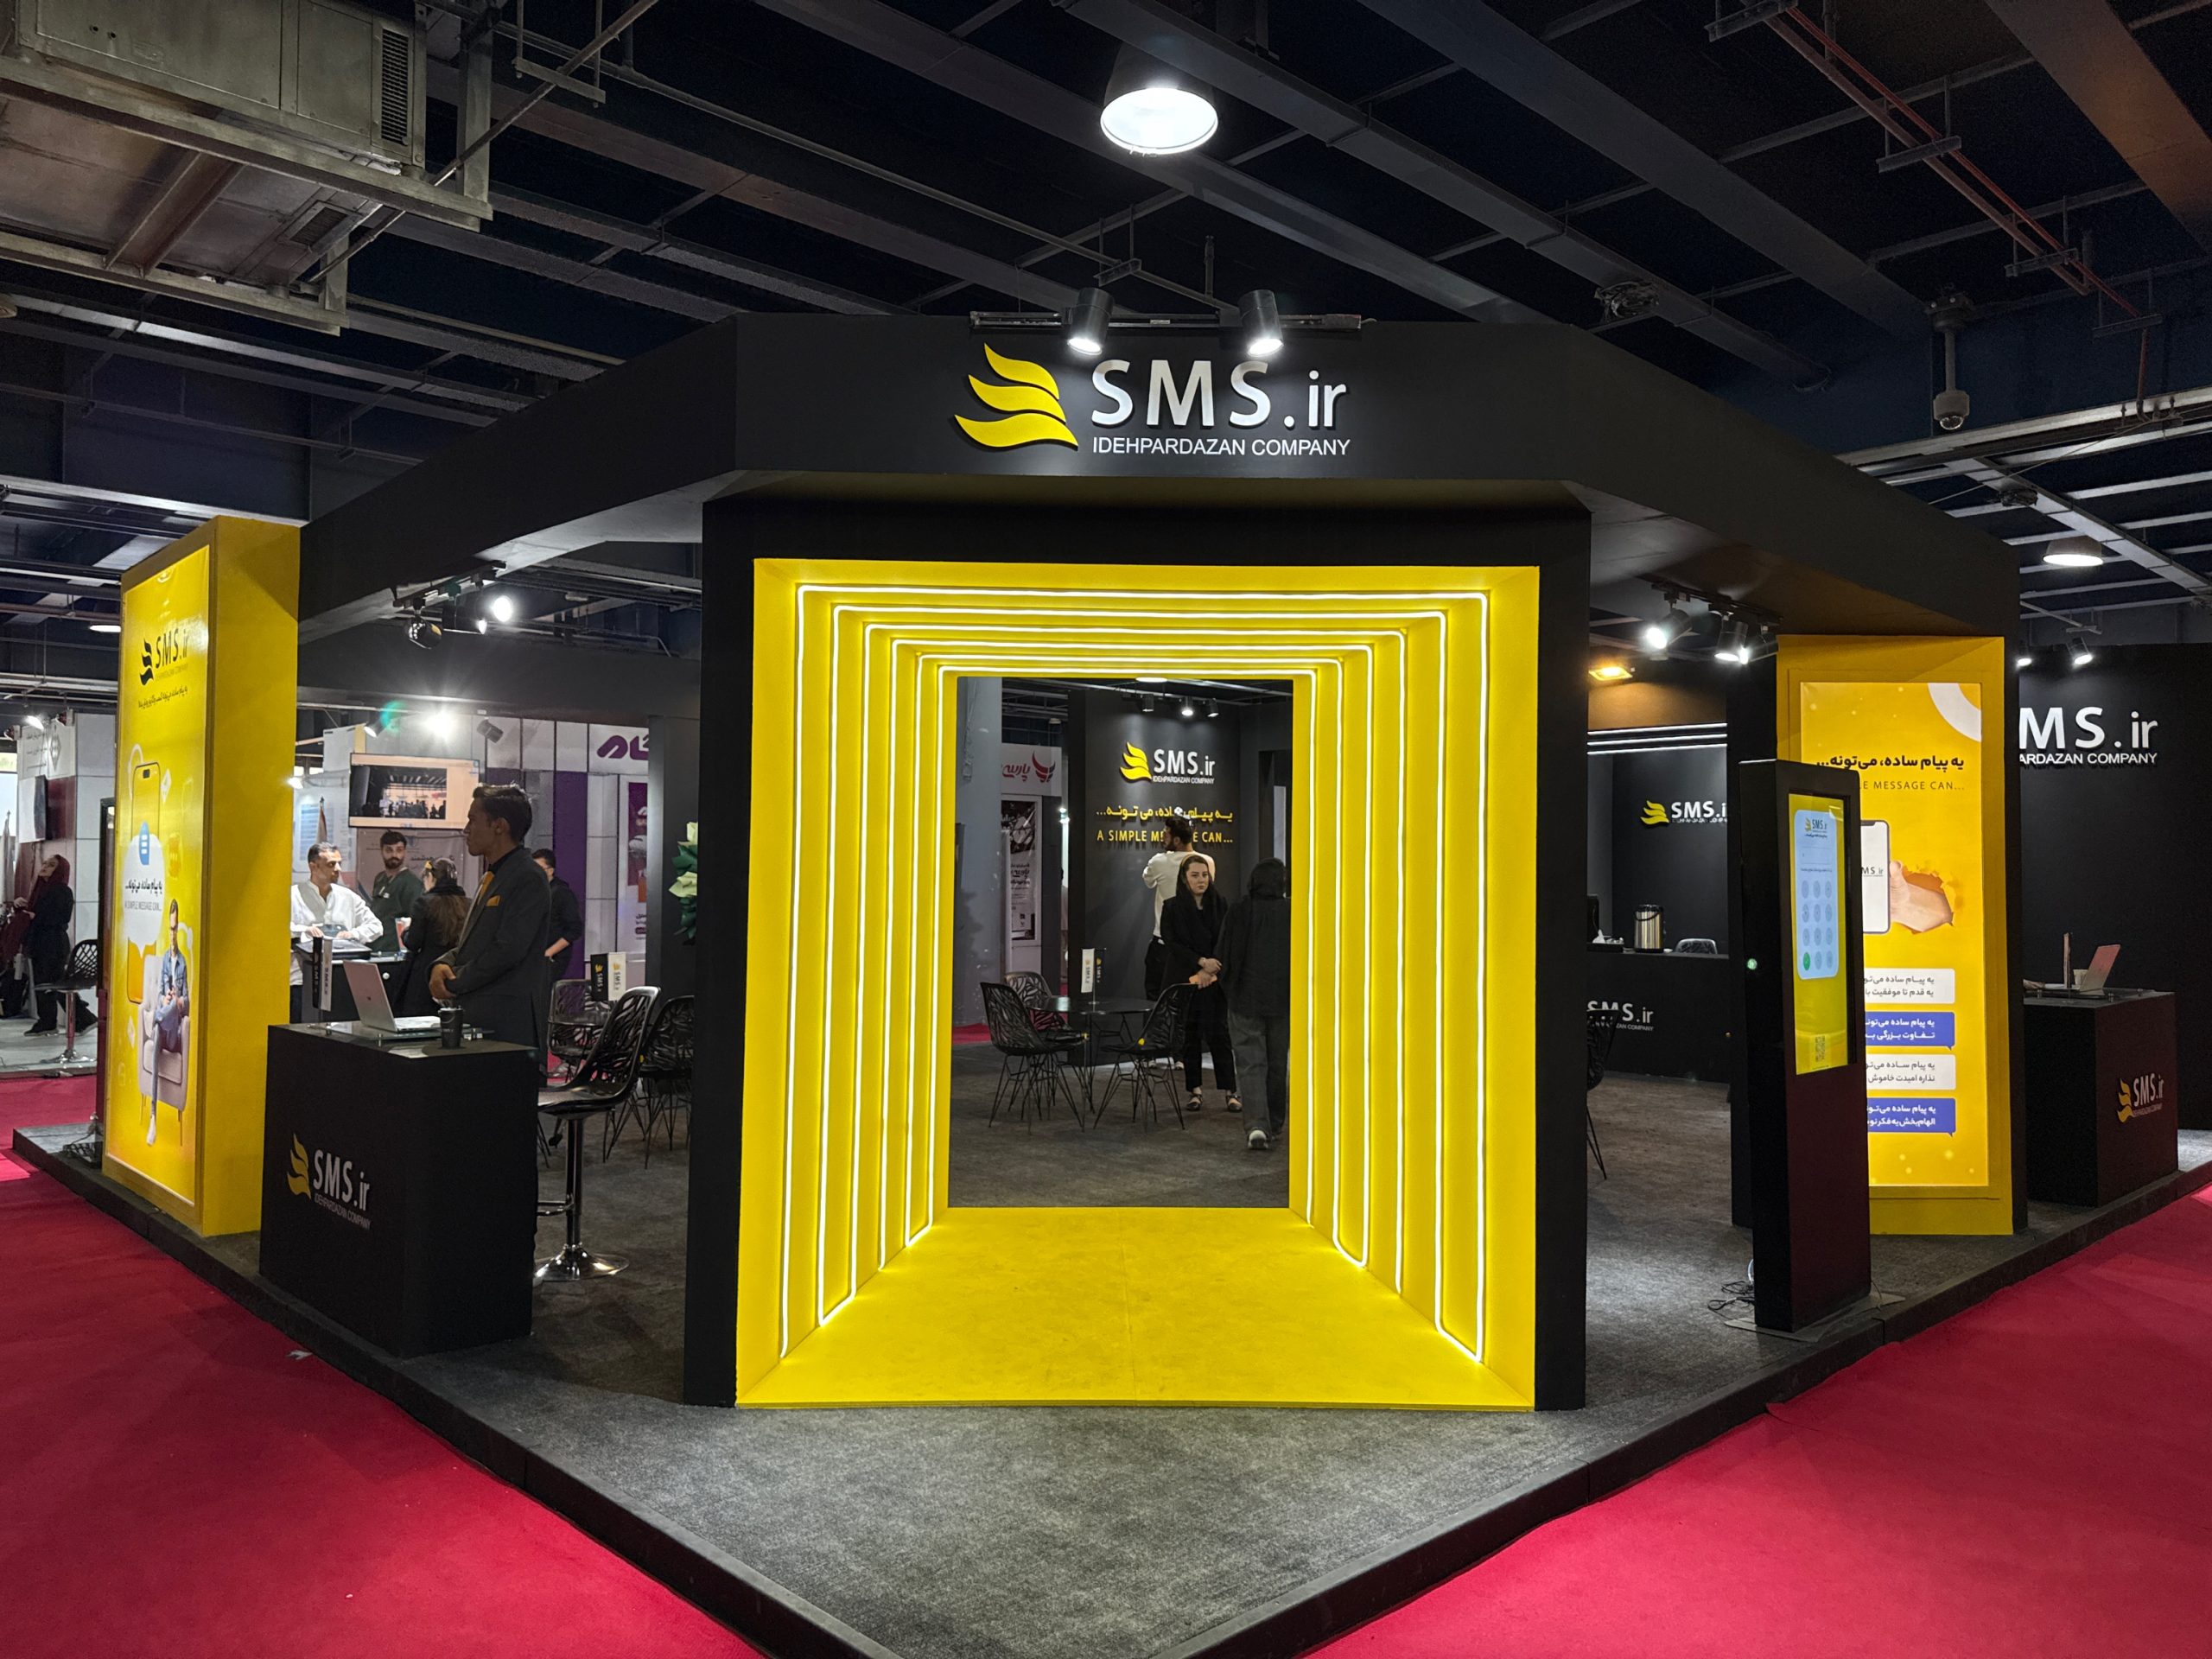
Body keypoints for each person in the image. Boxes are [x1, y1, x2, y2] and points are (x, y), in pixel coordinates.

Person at [429, 785, 552, 1052]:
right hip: (480, 1014)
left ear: (499, 826)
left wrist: (454, 980)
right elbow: (474, 941)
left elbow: (508, 950)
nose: (466, 829)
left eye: (473, 820)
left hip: (508, 1023)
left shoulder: (528, 876)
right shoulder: (492, 876)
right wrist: (443, 963)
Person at [1217, 858, 1292, 1152]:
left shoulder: (1239, 909)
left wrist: (1229, 988)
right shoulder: (1292, 911)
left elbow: (1225, 952)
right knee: (1277, 1063)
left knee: (1250, 1064)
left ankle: (1257, 1125)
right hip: (1282, 1001)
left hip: (1244, 999)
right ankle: (1275, 1122)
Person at [1159, 853, 1238, 1116]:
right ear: (1184, 878)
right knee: (1191, 1035)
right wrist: (1200, 963)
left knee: (1220, 1035)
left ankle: (1230, 1091)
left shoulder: (1220, 904)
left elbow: (1227, 939)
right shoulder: (1172, 907)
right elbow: (1172, 942)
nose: (1201, 880)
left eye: (1205, 875)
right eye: (1195, 875)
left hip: (1215, 979)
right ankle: (1195, 1091)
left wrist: (1211, 968)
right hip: (1188, 979)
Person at [289, 841, 382, 1020]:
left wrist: (353, 935)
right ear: (313, 867)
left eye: (339, 863)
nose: (338, 869)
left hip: (342, 978)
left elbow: (375, 926)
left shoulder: (348, 897)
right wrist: (304, 931)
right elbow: (277, 928)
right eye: (331, 864)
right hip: (302, 980)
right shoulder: (293, 896)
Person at [16, 853, 93, 1034]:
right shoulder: (43, 889)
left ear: (60, 870)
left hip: (53, 945)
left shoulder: (62, 891)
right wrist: (23, 907)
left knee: (53, 985)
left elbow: (60, 917)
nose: (45, 867)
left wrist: (35, 916)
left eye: (51, 865)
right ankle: (50, 1021)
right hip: (42, 944)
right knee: (47, 985)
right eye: (45, 863)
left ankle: (83, 1019)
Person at [1141, 814, 1214, 996]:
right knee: (1192, 999)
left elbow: (1148, 880)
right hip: (1196, 946)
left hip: (1166, 944)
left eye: (1166, 833)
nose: (1162, 837)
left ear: (1177, 840)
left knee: (1158, 1000)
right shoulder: (1207, 862)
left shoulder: (1159, 862)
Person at [394, 859, 468, 1017]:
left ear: (430, 877)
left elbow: (413, 943)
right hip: (456, 973)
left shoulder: (425, 903)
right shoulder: (468, 904)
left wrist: (405, 931)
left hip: (425, 977)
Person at [148, 900, 190, 1142]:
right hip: (164, 1024)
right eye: (170, 929)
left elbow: (187, 1001)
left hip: (175, 1030)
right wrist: (164, 999)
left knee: (172, 1008)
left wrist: (178, 1002)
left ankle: (158, 1018)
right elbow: (159, 994)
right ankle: (153, 1115)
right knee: (162, 1019)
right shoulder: (165, 959)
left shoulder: (183, 962)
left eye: (175, 928)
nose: (172, 934)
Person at [533, 847, 583, 982]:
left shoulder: (562, 893)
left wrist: (548, 953)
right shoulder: (533, 892)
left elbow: (575, 930)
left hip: (552, 958)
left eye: (539, 869)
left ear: (550, 871)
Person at [368, 829, 423, 944]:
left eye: (399, 850)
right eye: (389, 850)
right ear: (381, 851)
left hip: (394, 948)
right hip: (375, 944)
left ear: (405, 852)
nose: (394, 855)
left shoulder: (411, 883)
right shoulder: (380, 878)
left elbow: (416, 922)